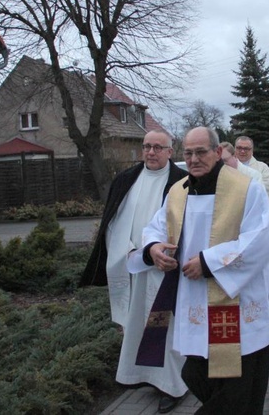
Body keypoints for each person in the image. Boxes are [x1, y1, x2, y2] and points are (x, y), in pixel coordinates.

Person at [130, 127, 269, 414]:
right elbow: (155, 228)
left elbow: (259, 240)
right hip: (194, 301)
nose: (194, 159)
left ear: (218, 152)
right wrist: (154, 248)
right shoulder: (177, 191)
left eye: (201, 152)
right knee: (196, 373)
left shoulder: (246, 187)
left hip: (236, 304)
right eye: (188, 152)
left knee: (238, 384)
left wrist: (209, 263)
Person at [79, 130, 188, 413]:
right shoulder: (125, 180)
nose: (151, 152)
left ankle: (173, 385)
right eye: (146, 147)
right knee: (137, 322)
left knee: (167, 326)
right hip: (134, 266)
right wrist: (129, 251)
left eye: (157, 147)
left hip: (169, 267)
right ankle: (140, 375)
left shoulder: (183, 182)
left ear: (169, 151)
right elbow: (112, 223)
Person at [221, 141, 269, 276]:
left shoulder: (254, 173)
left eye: (225, 160)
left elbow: (262, 197)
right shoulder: (220, 174)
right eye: (240, 148)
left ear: (233, 156)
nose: (243, 151)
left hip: (250, 228)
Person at [234, 136, 269, 204]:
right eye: (239, 148)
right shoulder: (228, 166)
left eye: (246, 148)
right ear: (234, 148)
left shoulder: (262, 167)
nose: (242, 151)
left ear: (252, 150)